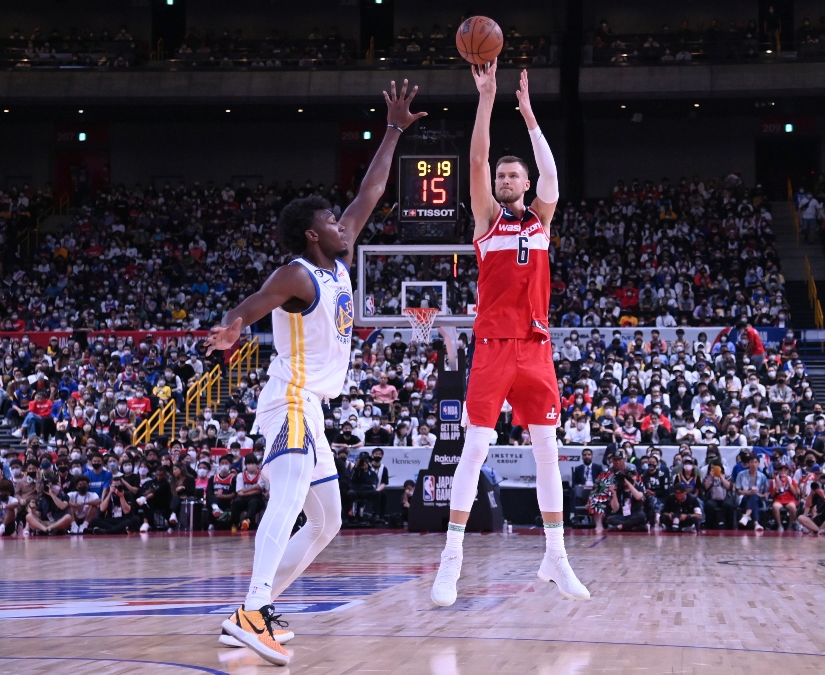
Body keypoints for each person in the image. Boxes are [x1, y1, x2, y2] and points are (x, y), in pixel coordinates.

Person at [204, 80, 426, 666]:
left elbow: (371, 192)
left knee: (327, 519)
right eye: (332, 220)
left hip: (313, 408)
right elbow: (250, 305)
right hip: (291, 401)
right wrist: (229, 327)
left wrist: (395, 130)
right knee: (288, 502)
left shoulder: (337, 261)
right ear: (312, 233)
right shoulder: (298, 274)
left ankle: (251, 612)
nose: (342, 224)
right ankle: (253, 611)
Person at [432, 63, 588, 606]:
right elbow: (476, 159)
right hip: (494, 347)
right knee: (473, 448)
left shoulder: (541, 222)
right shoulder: (486, 221)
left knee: (548, 452)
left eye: (512, 176)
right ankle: (450, 561)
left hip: (536, 346)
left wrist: (528, 116)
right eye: (501, 177)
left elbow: (553, 179)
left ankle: (556, 557)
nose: (504, 180)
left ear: (527, 185)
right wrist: (487, 100)